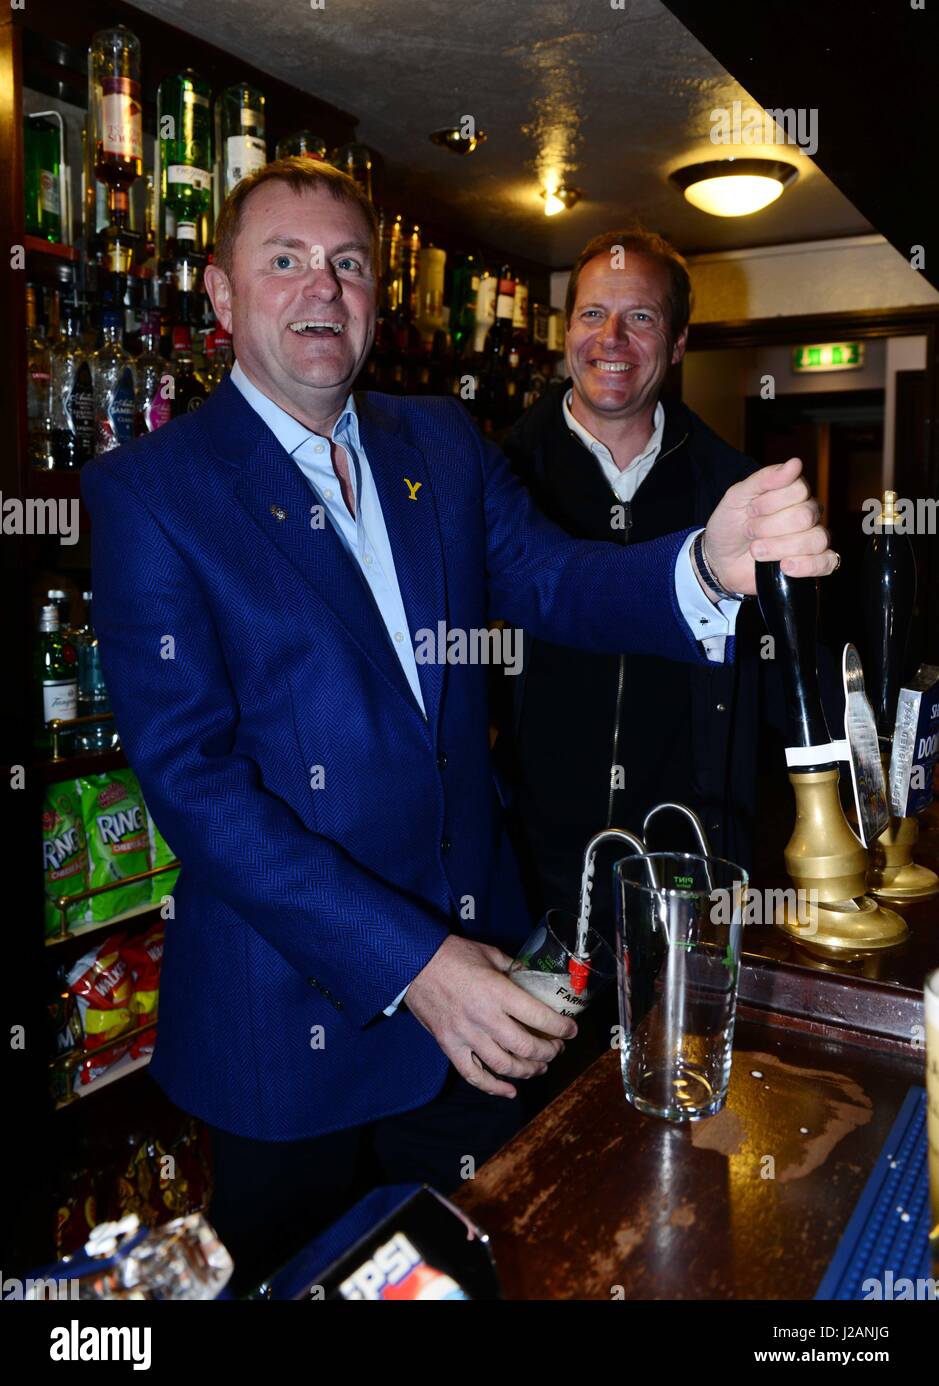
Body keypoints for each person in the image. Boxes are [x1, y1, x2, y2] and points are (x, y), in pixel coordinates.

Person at [82, 162, 836, 1292]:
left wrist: (704, 566)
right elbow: (195, 788)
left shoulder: (437, 440)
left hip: (482, 998)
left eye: (345, 264)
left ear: (376, 297)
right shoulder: (150, 491)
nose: (320, 289)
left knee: (487, 1264)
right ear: (221, 294)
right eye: (282, 261)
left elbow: (553, 580)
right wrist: (415, 966)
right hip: (291, 1033)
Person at [500, 225, 837, 929]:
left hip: (687, 864)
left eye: (641, 317)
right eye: (592, 314)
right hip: (520, 866)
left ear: (678, 342)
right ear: (566, 333)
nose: (611, 338)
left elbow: (792, 700)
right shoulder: (493, 473)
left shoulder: (735, 490)